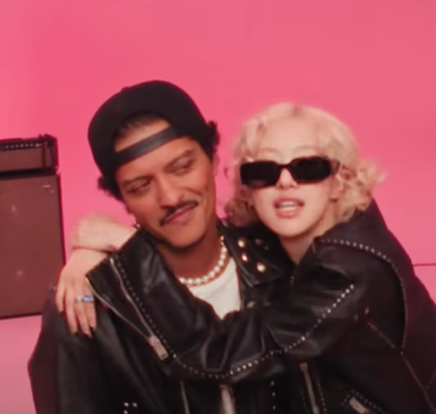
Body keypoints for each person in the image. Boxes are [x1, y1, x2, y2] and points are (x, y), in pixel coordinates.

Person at [65, 103, 436, 413]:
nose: (286, 183)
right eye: (263, 172)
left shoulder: (349, 269)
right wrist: (92, 255)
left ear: (340, 179)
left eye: (308, 168)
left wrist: (130, 253)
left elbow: (219, 356)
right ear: (247, 185)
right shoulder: (288, 234)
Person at [26, 80, 295, 414]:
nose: (170, 197)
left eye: (182, 168)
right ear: (122, 198)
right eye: (141, 186)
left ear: (213, 161)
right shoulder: (83, 300)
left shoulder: (281, 259)